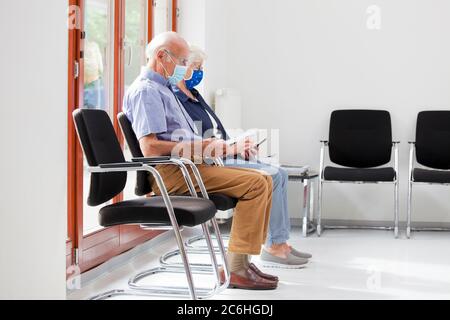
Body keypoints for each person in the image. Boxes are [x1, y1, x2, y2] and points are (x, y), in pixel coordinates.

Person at [123, 32, 278, 290]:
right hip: (173, 173)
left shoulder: (164, 89)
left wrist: (211, 146)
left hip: (191, 165)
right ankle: (236, 267)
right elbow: (149, 147)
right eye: (182, 60)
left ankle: (241, 261)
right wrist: (201, 147)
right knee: (257, 185)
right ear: (161, 56)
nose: (185, 67)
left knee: (263, 178)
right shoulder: (146, 91)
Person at [174, 45, 312, 267]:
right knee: (273, 175)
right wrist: (231, 148)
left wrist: (237, 146)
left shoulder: (195, 96)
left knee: (281, 173)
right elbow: (196, 140)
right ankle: (274, 246)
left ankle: (280, 241)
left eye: (201, 67)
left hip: (221, 153)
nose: (199, 72)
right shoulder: (176, 100)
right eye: (196, 67)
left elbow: (215, 132)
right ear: (183, 66)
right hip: (211, 160)